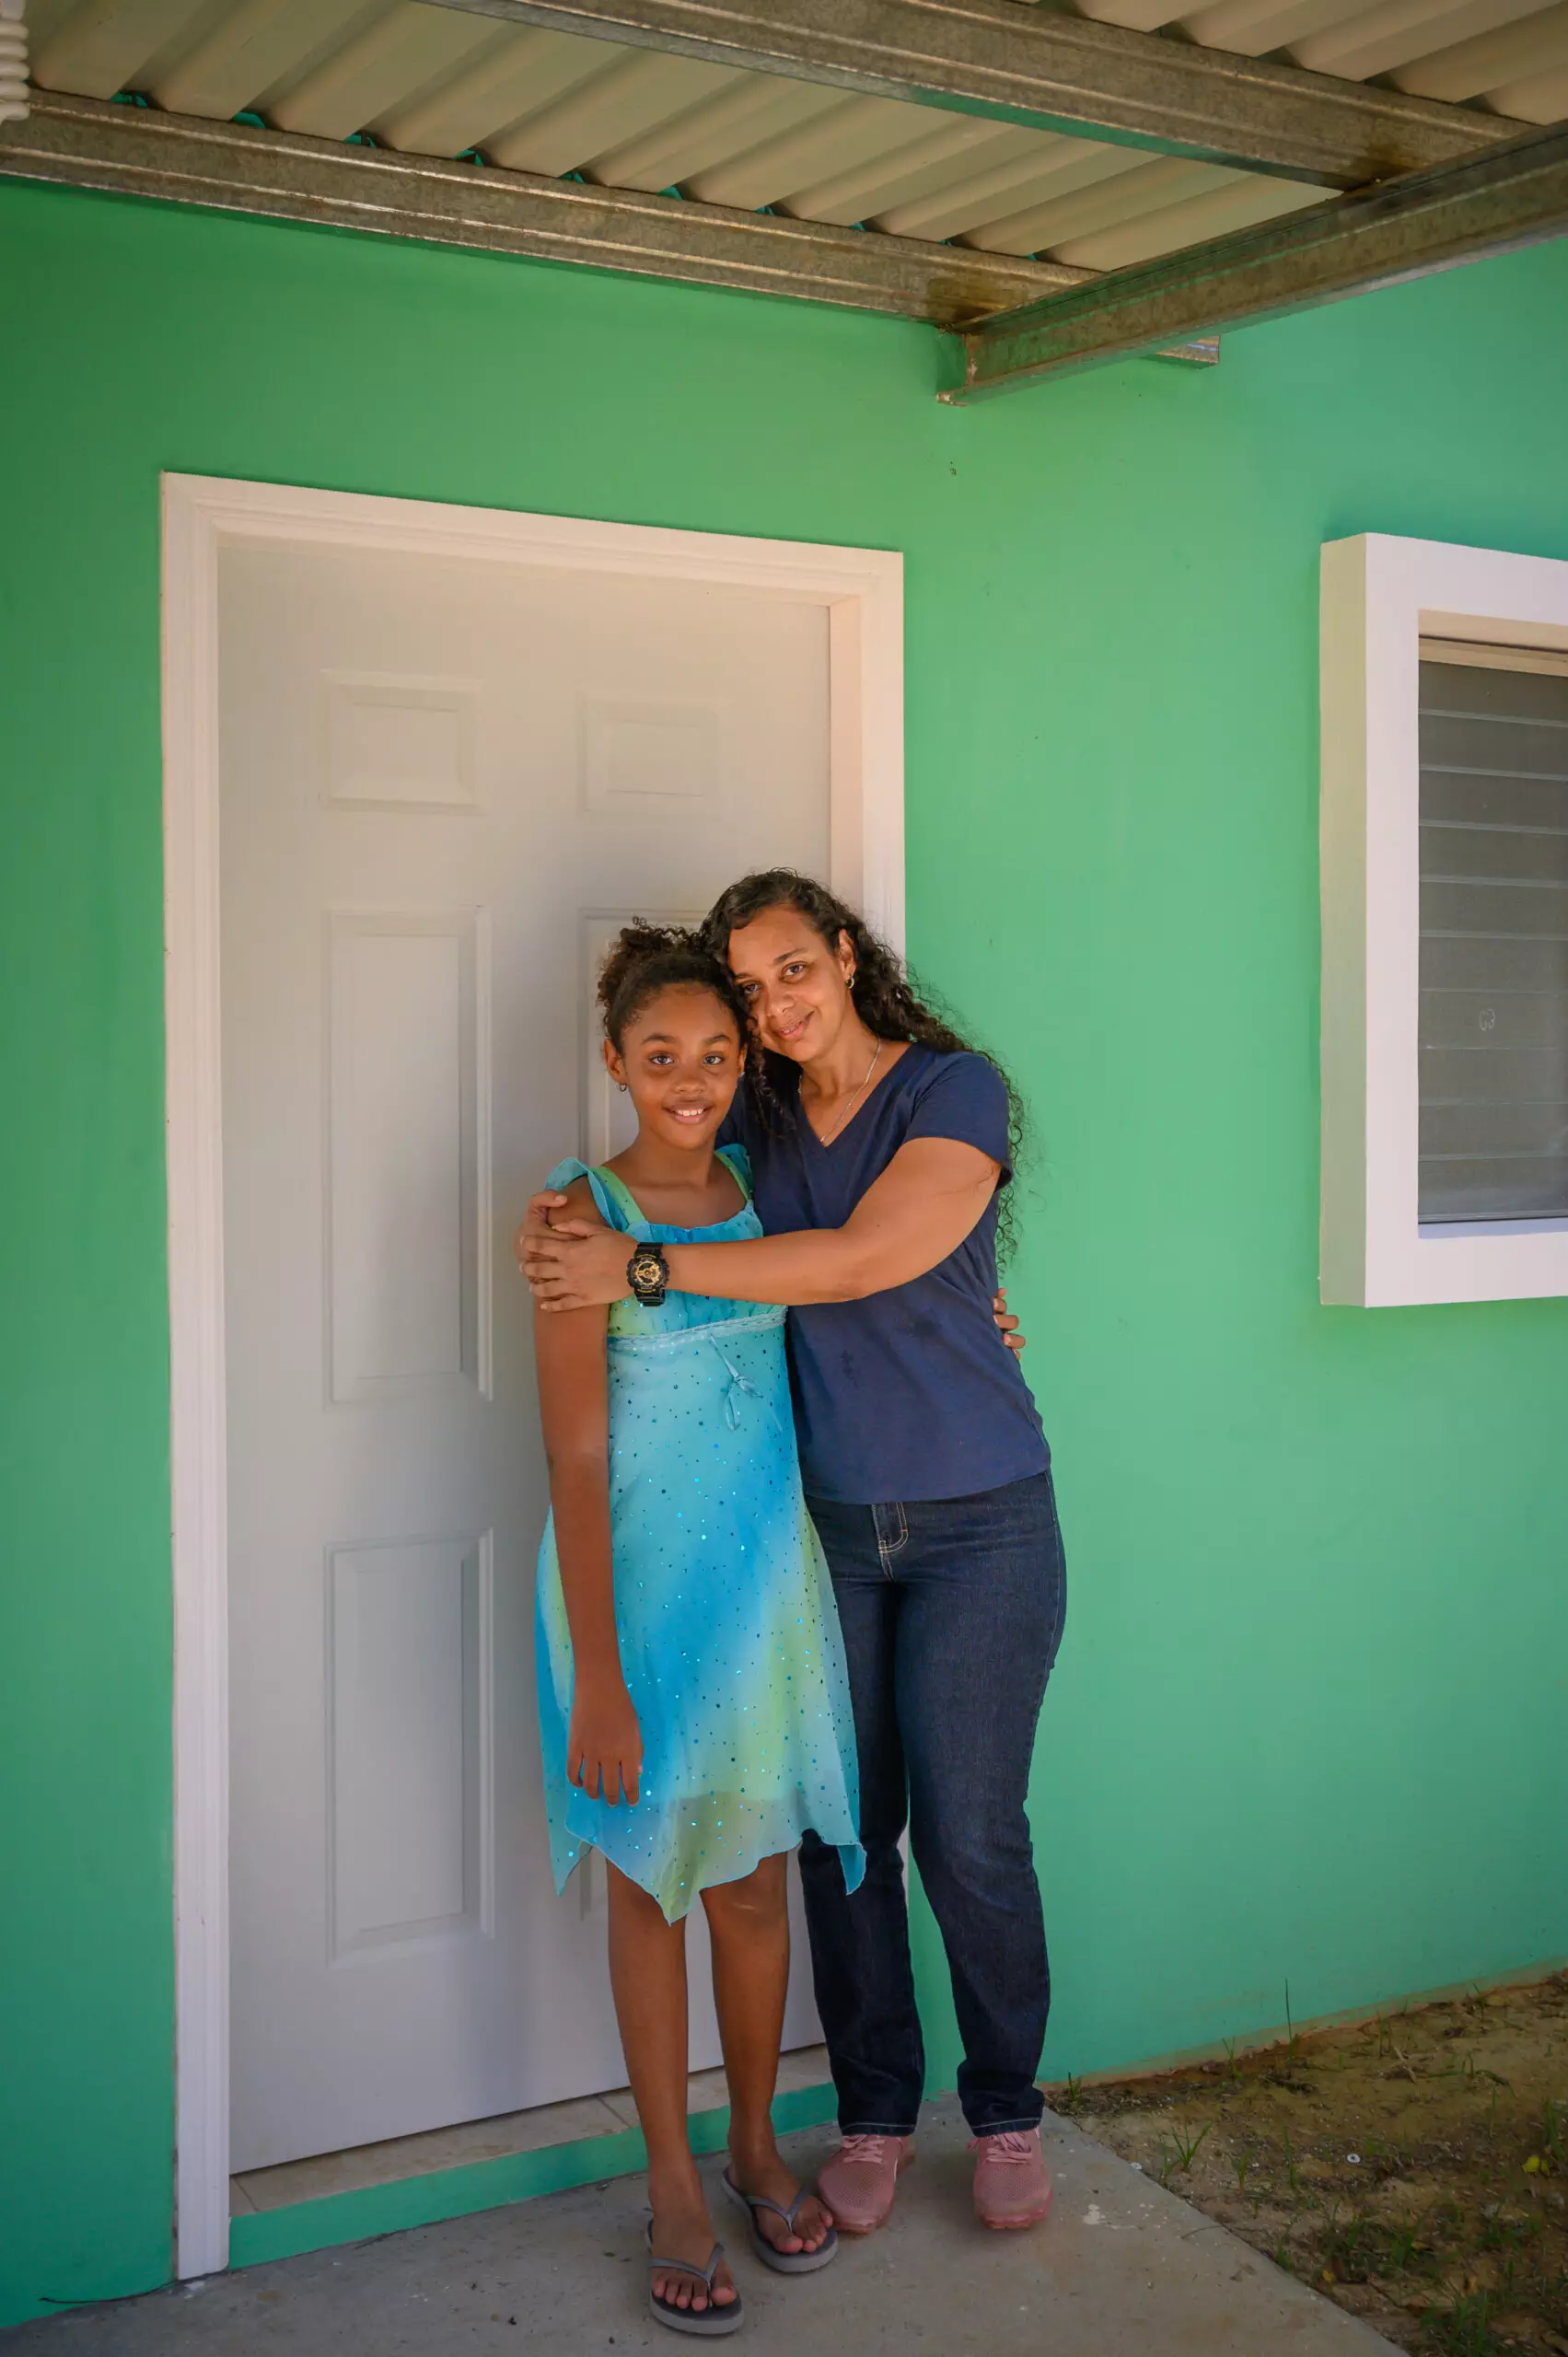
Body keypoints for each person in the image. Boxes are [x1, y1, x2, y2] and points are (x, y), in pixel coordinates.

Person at [524, 872, 1066, 2238]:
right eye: (746, 992)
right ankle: (875, 2113)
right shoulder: (749, 1123)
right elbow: (682, 1201)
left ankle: (1003, 2113)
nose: (767, 1011)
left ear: (842, 954)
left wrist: (635, 1268)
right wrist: (581, 1236)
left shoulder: (949, 1090)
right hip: (818, 1531)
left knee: (970, 1836)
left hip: (974, 1516)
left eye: (787, 975)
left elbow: (860, 1258)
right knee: (843, 1841)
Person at [532, 922, 864, 2337]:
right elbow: (576, 1458)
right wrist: (597, 1676)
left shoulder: (763, 1181)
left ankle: (751, 2143)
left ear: (743, 1065)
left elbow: (859, 1287)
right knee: (652, 1882)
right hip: (637, 1600)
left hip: (763, 1592)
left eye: (715, 1056)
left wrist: (993, 1323)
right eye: (658, 1056)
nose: (690, 1079)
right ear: (613, 1062)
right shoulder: (572, 1212)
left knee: (751, 1881)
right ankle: (671, 2179)